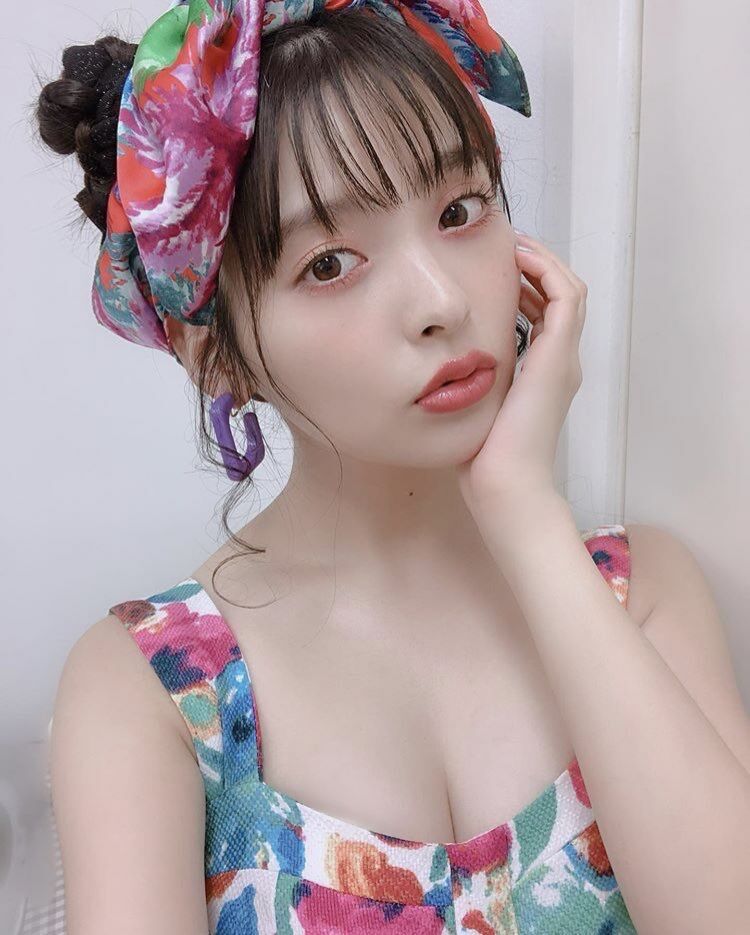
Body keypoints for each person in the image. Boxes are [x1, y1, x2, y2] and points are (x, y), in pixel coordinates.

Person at [35, 2, 750, 934]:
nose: (441, 301)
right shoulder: (152, 692)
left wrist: (525, 511)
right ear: (215, 354)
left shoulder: (641, 590)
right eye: (330, 263)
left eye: (459, 211)